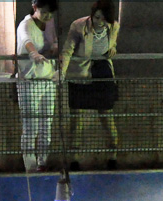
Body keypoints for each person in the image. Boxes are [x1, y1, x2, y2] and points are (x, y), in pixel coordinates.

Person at [60, 0, 120, 170]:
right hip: (81, 74)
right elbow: (67, 50)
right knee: (76, 119)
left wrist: (113, 48)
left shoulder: (114, 27)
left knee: (107, 116)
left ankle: (113, 156)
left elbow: (112, 44)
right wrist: (62, 72)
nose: (98, 22)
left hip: (103, 73)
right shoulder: (78, 26)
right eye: (96, 17)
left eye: (102, 19)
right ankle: (74, 159)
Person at [16, 0, 59, 172]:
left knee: (46, 125)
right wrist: (34, 53)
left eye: (50, 13)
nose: (48, 16)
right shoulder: (25, 24)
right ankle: (30, 166)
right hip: (30, 82)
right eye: (44, 12)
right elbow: (26, 40)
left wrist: (55, 52)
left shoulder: (50, 24)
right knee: (30, 127)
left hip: (48, 80)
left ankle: (42, 162)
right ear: (35, 8)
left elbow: (55, 44)